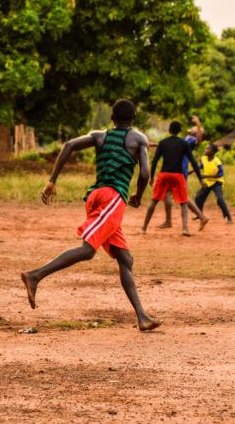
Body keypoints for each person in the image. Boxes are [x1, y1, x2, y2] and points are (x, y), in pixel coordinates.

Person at [20, 99, 161, 332]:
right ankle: (35, 276)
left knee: (125, 259)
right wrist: (137, 194)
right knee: (87, 250)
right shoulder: (139, 139)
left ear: (113, 119)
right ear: (133, 119)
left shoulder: (99, 135)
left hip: (95, 196)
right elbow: (145, 172)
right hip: (113, 198)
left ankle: (142, 317)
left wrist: (51, 181)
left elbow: (68, 145)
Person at [142, 121, 207, 236]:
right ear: (179, 131)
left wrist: (151, 177)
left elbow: (155, 160)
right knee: (183, 202)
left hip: (164, 174)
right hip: (178, 175)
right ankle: (185, 229)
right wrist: (200, 178)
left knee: (154, 200)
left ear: (169, 130)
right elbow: (193, 161)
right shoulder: (184, 143)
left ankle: (144, 228)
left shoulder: (163, 143)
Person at [159, 115, 207, 228]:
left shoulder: (191, 139)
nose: (193, 128)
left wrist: (198, 124)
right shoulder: (185, 139)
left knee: (178, 197)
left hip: (179, 170)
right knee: (177, 196)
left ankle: (169, 221)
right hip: (176, 170)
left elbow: (199, 140)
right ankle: (201, 217)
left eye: (195, 128)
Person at [194, 143, 232, 223]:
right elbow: (201, 167)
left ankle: (228, 218)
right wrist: (190, 171)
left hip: (217, 182)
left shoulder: (217, 161)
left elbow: (221, 174)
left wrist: (206, 176)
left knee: (220, 199)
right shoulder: (204, 158)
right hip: (208, 183)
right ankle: (199, 215)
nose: (206, 150)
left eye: (208, 149)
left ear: (213, 152)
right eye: (206, 148)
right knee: (198, 197)